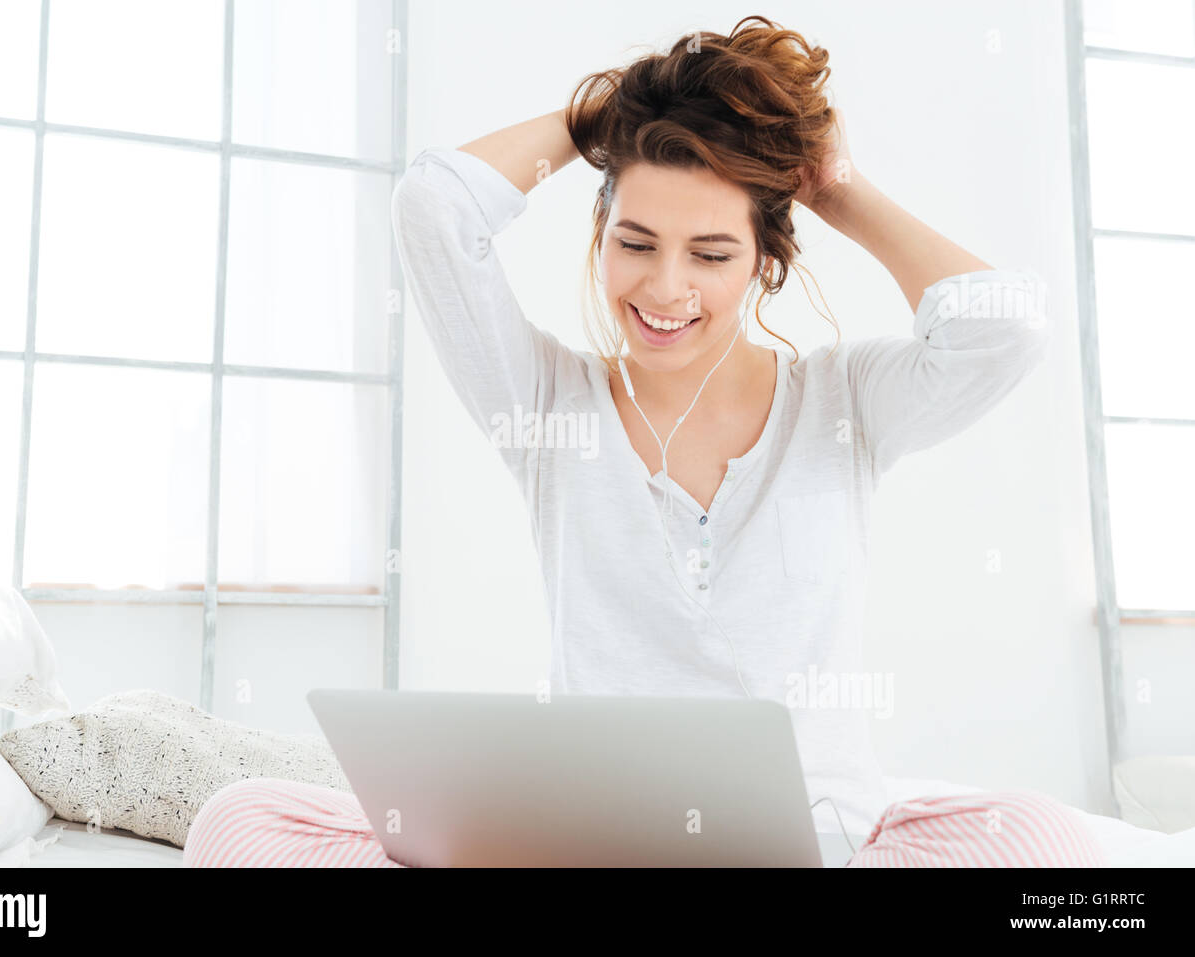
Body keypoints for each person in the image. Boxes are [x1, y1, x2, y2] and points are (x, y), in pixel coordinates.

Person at [184, 14, 1089, 868]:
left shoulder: (844, 402)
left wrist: (834, 189)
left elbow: (1004, 330)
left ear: (765, 261)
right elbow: (433, 207)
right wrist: (602, 119)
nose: (665, 287)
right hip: (596, 841)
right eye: (637, 242)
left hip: (817, 842)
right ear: (601, 234)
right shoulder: (543, 402)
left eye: (711, 253)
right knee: (241, 817)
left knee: (1044, 842)